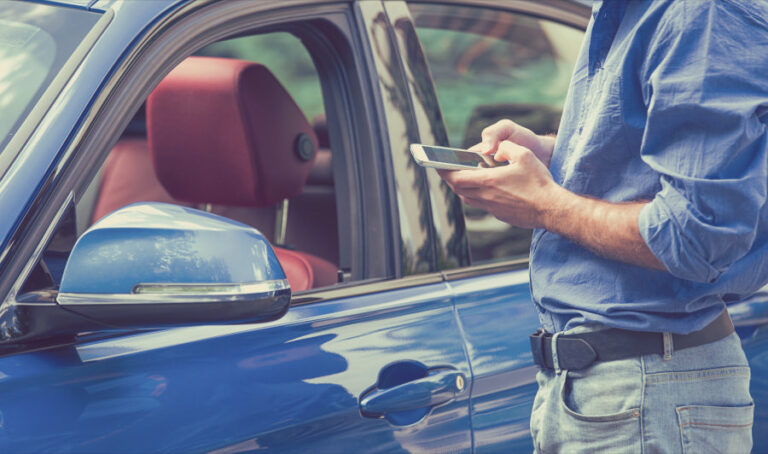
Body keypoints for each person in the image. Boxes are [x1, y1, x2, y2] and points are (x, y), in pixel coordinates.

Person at [438, 0, 768, 452]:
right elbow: (644, 160)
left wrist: (545, 205)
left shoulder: (700, 13)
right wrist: (552, 155)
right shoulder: (623, 12)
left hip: (648, 391)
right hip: (605, 389)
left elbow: (698, 233)